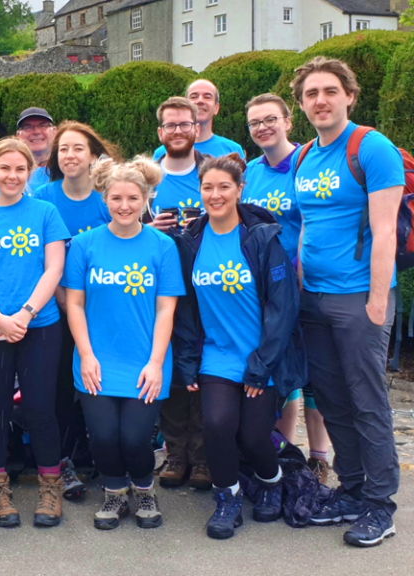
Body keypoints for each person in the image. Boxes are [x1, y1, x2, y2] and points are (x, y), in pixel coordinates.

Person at [290, 57, 405, 547]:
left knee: (368, 401)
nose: (321, 100)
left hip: (358, 297)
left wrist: (377, 301)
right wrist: (297, 288)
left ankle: (381, 505)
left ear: (349, 96)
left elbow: (384, 232)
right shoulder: (303, 157)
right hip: (313, 299)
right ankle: (353, 490)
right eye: (311, 93)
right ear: (301, 104)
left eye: (330, 91)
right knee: (333, 402)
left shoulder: (370, 147)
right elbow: (307, 228)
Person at [174, 153, 304, 540]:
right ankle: (227, 498)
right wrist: (187, 360)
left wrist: (262, 364)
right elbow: (184, 308)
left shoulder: (263, 238)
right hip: (217, 354)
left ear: (239, 189)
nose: (215, 195)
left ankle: (271, 480)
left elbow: (284, 308)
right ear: (199, 192)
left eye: (223, 187)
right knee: (216, 425)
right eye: (207, 188)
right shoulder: (191, 241)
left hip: (261, 355)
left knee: (252, 437)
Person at [62, 155, 183, 531]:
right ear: (104, 199)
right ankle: (114, 492)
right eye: (116, 198)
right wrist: (85, 355)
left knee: (133, 438)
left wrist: (156, 362)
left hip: (145, 360)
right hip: (96, 359)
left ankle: (144, 488)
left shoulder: (162, 246)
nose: (125, 206)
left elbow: (166, 309)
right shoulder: (84, 245)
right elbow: (75, 304)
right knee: (102, 436)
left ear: (146, 197)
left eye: (133, 198)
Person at [0, 138, 70, 528]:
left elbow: (53, 269)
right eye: (4, 168)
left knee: (41, 408)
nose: (12, 175)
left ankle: (50, 485)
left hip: (39, 325)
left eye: (20, 169)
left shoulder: (45, 212)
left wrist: (24, 313)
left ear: (30, 172)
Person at [242, 93, 331, 482]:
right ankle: (282, 447)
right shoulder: (250, 170)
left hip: (304, 281)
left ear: (287, 121)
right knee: (282, 369)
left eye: (269, 120)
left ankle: (319, 455)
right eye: (255, 123)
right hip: (267, 288)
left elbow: (314, 220)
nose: (263, 128)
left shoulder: (306, 163)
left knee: (312, 372)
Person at [36, 121, 120, 501]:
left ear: (93, 156)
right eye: (63, 149)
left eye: (77, 149)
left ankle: (105, 460)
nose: (69, 155)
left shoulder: (109, 199)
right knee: (58, 390)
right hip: (57, 308)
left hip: (103, 310)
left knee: (102, 384)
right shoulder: (44, 197)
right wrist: (62, 298)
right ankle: (62, 461)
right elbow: (38, 258)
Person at [151, 96, 211, 491]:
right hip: (162, 285)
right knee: (172, 371)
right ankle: (175, 453)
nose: (177, 131)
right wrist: (151, 226)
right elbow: (126, 220)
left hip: (208, 285)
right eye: (170, 126)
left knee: (206, 370)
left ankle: (204, 456)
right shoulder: (148, 176)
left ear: (197, 127)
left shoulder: (213, 169)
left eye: (184, 125)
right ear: (160, 133)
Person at [153, 79, 245, 160]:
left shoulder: (232, 150)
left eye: (207, 97)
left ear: (216, 108)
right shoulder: (162, 153)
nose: (200, 101)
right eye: (194, 97)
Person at [15, 107, 57, 193]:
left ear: (54, 132)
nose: (36, 132)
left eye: (42, 125)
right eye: (28, 127)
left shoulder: (65, 169)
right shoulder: (10, 173)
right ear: (18, 135)